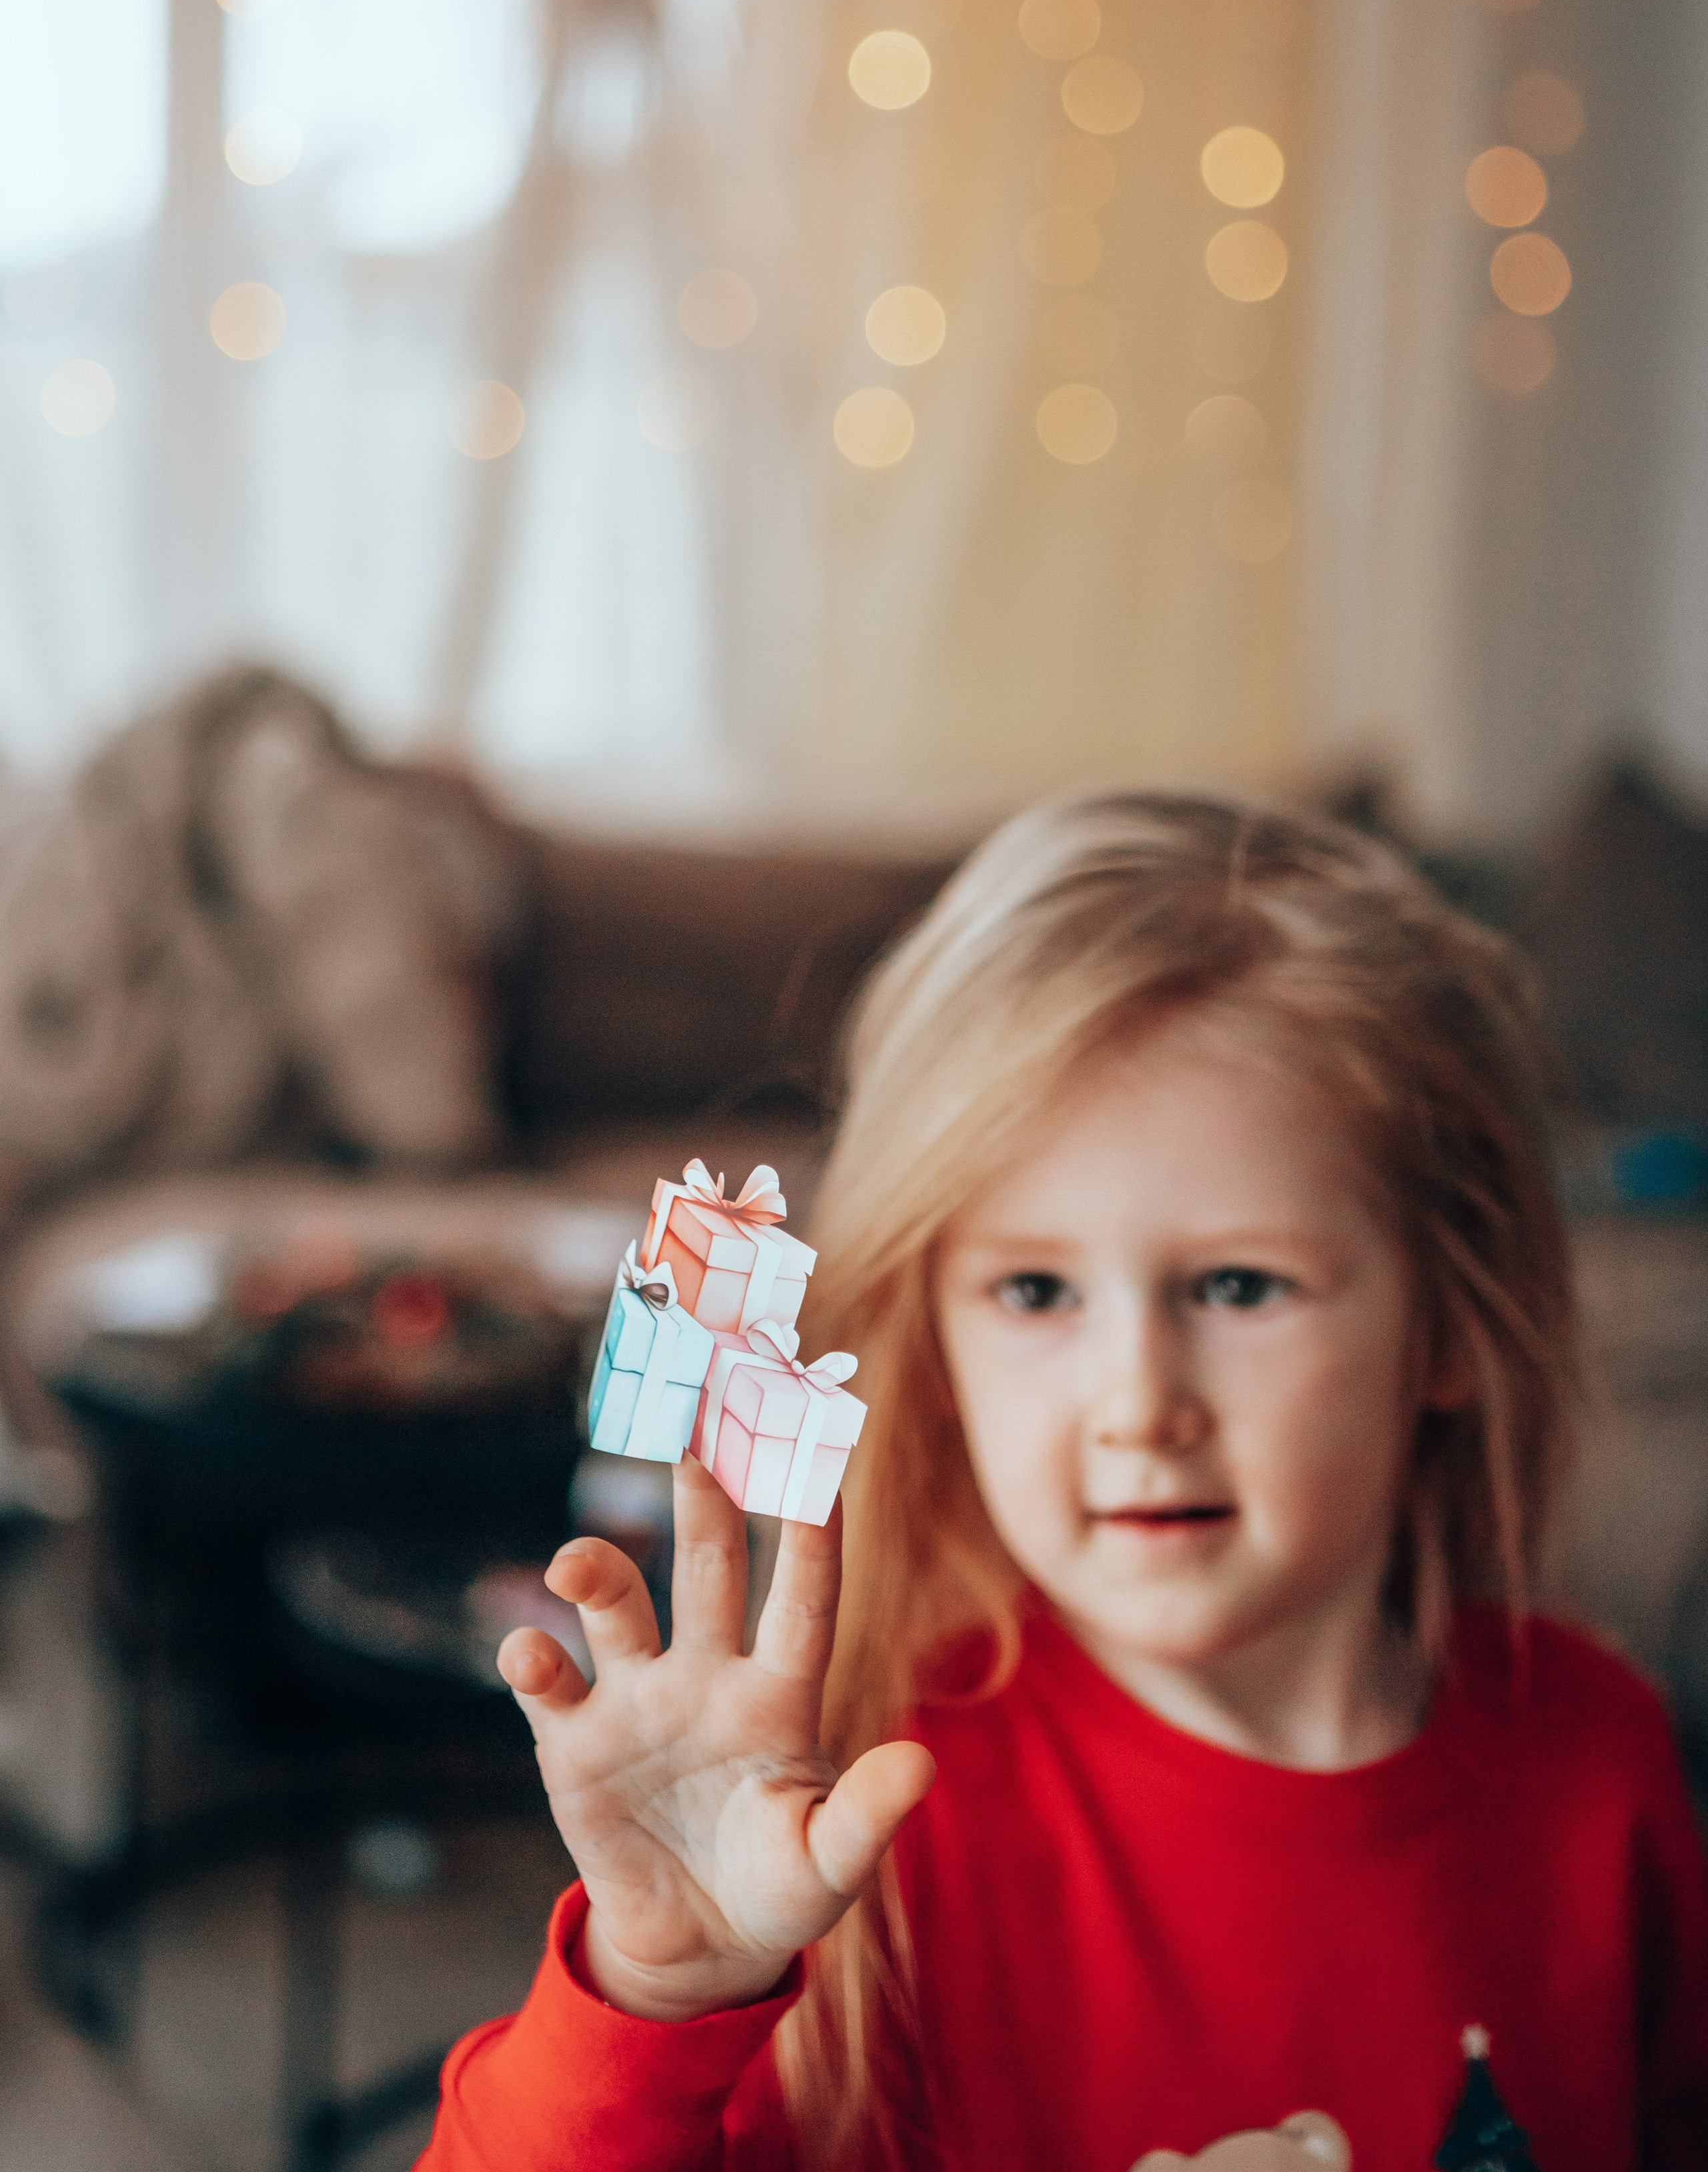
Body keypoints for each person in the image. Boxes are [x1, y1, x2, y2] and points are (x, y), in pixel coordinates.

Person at [417, 794, 1708, 2172]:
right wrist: (657, 1993)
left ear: (1449, 1317)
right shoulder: (849, 1822)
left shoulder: (1598, 1761)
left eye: (1238, 1286)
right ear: (938, 1343)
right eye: (1035, 1291)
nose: (1139, 1403)